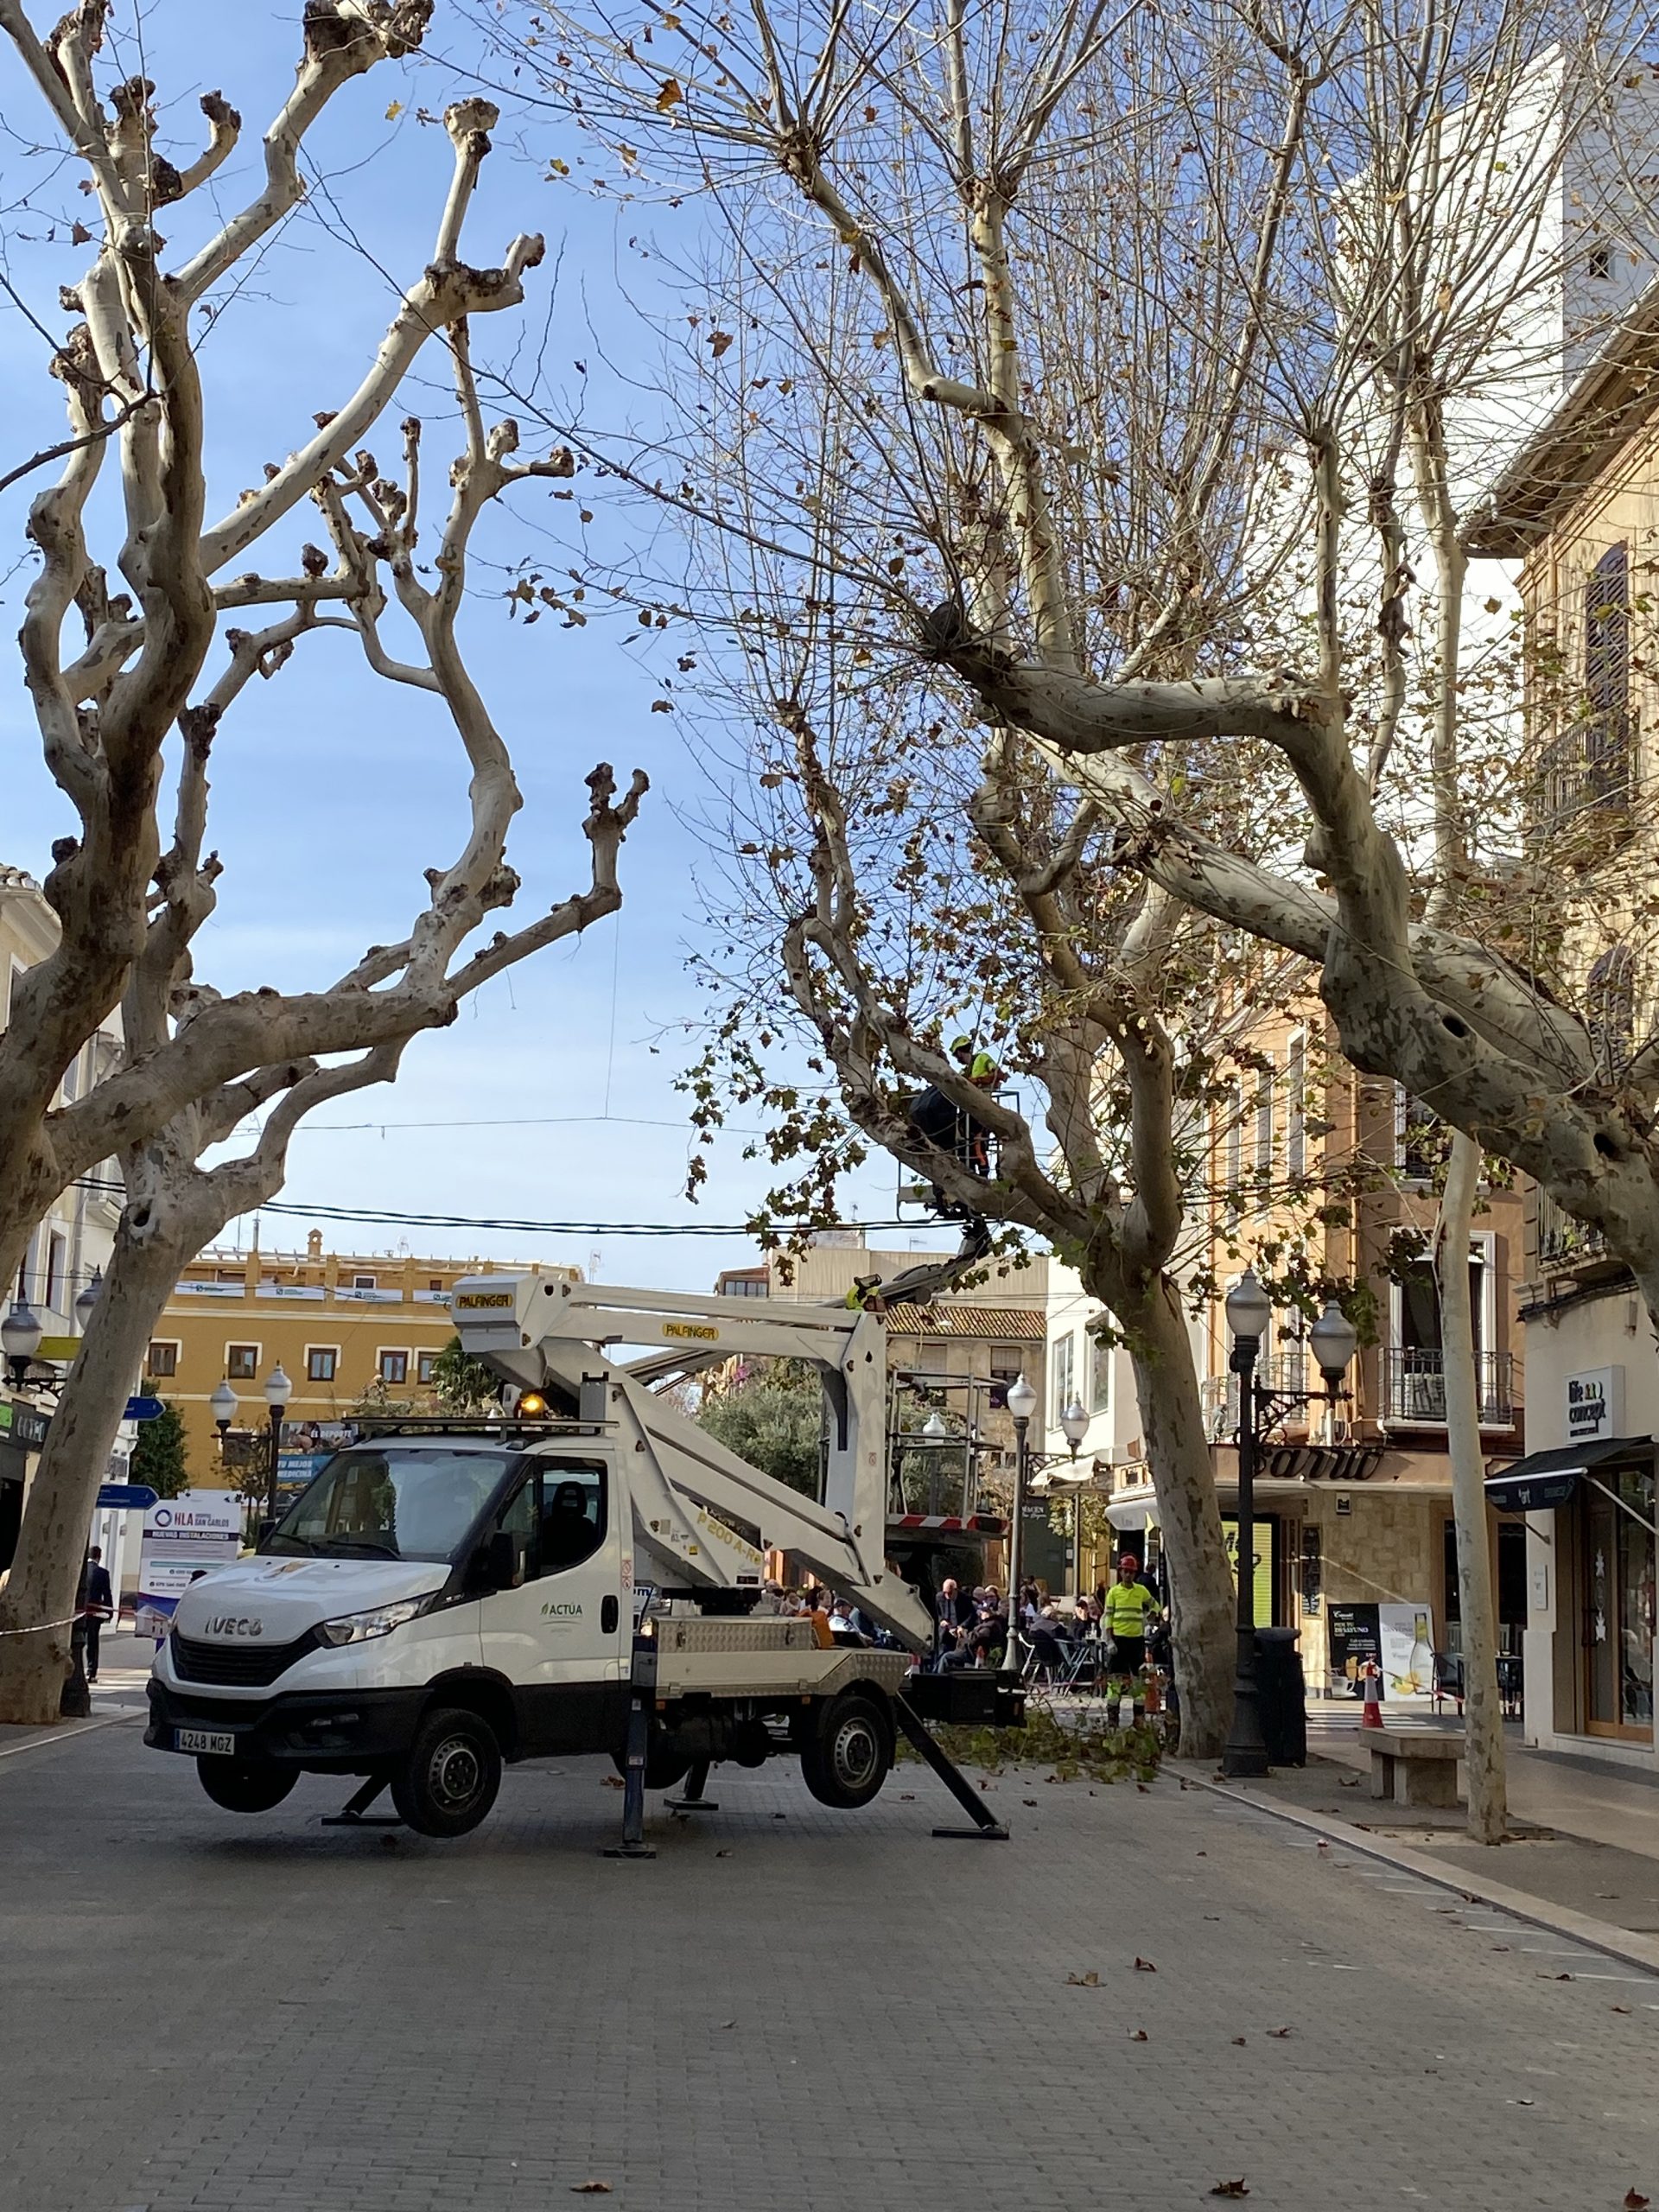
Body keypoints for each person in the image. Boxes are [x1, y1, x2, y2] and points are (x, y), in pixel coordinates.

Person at [1103, 1552, 1161, 1727]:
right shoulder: (1113, 1593)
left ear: (1135, 1574)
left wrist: (1150, 1615)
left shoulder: (1141, 1591)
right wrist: (1109, 1640)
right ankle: (1113, 1722)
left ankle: (1139, 1721)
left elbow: (1155, 1605)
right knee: (1115, 1683)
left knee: (1139, 1682)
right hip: (1119, 1642)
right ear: (1120, 1572)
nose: (1128, 1574)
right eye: (1125, 1571)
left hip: (1136, 1642)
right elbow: (1108, 1617)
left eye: (1131, 1572)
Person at [82, 1547, 114, 1684]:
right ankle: (91, 1672)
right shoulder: (102, 1573)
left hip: (79, 1612)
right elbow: (107, 1594)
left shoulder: (81, 1571)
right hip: (94, 1614)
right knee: (92, 1642)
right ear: (99, 1557)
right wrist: (109, 1612)